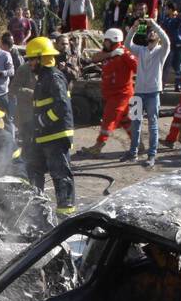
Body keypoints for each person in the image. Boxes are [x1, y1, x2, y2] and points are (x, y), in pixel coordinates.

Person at [24, 36, 75, 215]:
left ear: (42, 58)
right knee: (33, 169)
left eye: (31, 59)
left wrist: (42, 121)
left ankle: (65, 215)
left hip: (56, 136)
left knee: (61, 177)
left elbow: (61, 106)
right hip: (44, 136)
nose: (29, 63)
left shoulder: (53, 76)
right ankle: (37, 211)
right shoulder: (43, 78)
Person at [80, 27, 136, 156]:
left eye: (106, 41)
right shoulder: (109, 52)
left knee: (108, 120)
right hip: (112, 95)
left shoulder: (124, 54)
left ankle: (98, 146)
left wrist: (125, 55)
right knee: (126, 121)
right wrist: (111, 54)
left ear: (114, 41)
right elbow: (95, 58)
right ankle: (137, 143)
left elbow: (138, 67)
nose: (104, 43)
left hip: (121, 95)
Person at [127, 16, 169, 166]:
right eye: (150, 32)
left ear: (157, 36)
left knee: (152, 123)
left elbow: (167, 40)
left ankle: (151, 155)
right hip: (138, 92)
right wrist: (134, 27)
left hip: (153, 93)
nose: (151, 34)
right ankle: (133, 153)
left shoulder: (161, 51)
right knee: (135, 123)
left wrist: (155, 24)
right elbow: (127, 44)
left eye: (154, 33)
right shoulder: (141, 50)